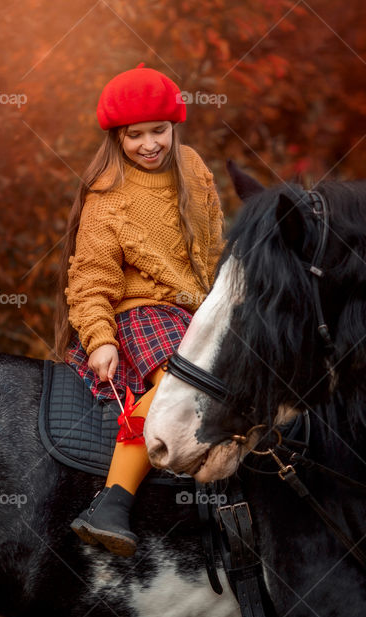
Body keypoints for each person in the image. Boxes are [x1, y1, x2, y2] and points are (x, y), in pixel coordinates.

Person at [53, 63, 225, 557]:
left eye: (159, 131)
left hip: (197, 310)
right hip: (142, 311)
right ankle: (113, 500)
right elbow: (90, 279)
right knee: (180, 384)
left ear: (174, 128)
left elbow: (212, 248)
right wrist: (101, 338)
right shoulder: (108, 197)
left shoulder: (192, 168)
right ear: (116, 138)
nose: (149, 144)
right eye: (135, 136)